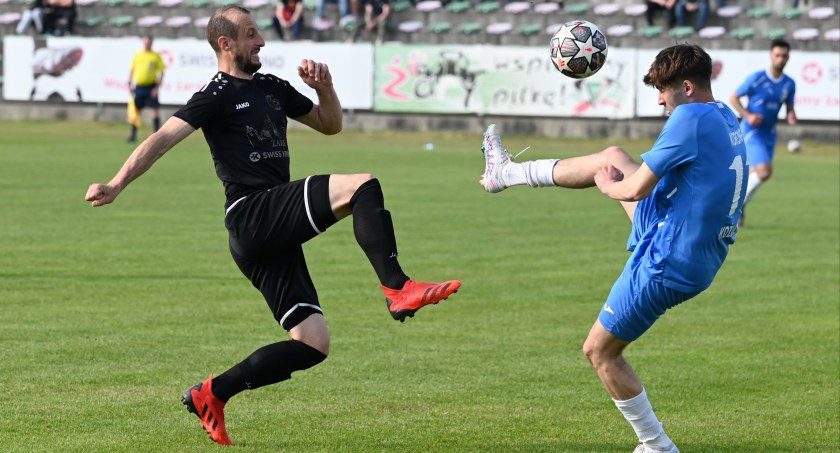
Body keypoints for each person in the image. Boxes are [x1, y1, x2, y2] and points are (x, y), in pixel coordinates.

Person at [85, 5, 460, 446]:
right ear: (226, 43)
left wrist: (326, 89)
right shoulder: (215, 94)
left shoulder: (273, 87)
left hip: (267, 231)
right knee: (362, 186)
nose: (261, 40)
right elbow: (161, 139)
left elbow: (330, 125)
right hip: (251, 214)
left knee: (313, 343)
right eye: (250, 34)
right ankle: (397, 287)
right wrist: (116, 184)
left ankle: (212, 393)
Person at [479, 43, 747, 453]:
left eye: (663, 90)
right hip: (697, 243)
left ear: (687, 87)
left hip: (669, 257)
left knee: (599, 352)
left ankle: (657, 446)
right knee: (613, 155)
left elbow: (635, 188)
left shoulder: (688, 118)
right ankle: (506, 172)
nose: (660, 100)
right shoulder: (723, 115)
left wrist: (607, 186)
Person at [729, 39, 797, 227]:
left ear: (788, 57)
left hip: (769, 134)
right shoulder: (757, 78)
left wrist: (791, 115)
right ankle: (736, 207)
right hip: (752, 132)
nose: (781, 59)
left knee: (754, 174)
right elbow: (733, 97)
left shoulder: (789, 84)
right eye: (777, 55)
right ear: (771, 56)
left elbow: (789, 107)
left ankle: (737, 205)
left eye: (784, 56)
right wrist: (748, 115)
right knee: (765, 172)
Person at [127, 35, 166, 143]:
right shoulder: (138, 55)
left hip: (151, 86)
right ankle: (133, 135)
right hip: (139, 87)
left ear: (151, 43)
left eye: (149, 43)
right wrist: (129, 83)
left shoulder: (155, 56)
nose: (147, 44)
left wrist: (157, 88)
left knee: (154, 110)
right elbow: (132, 69)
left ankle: (157, 136)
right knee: (136, 111)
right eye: (145, 42)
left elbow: (162, 72)